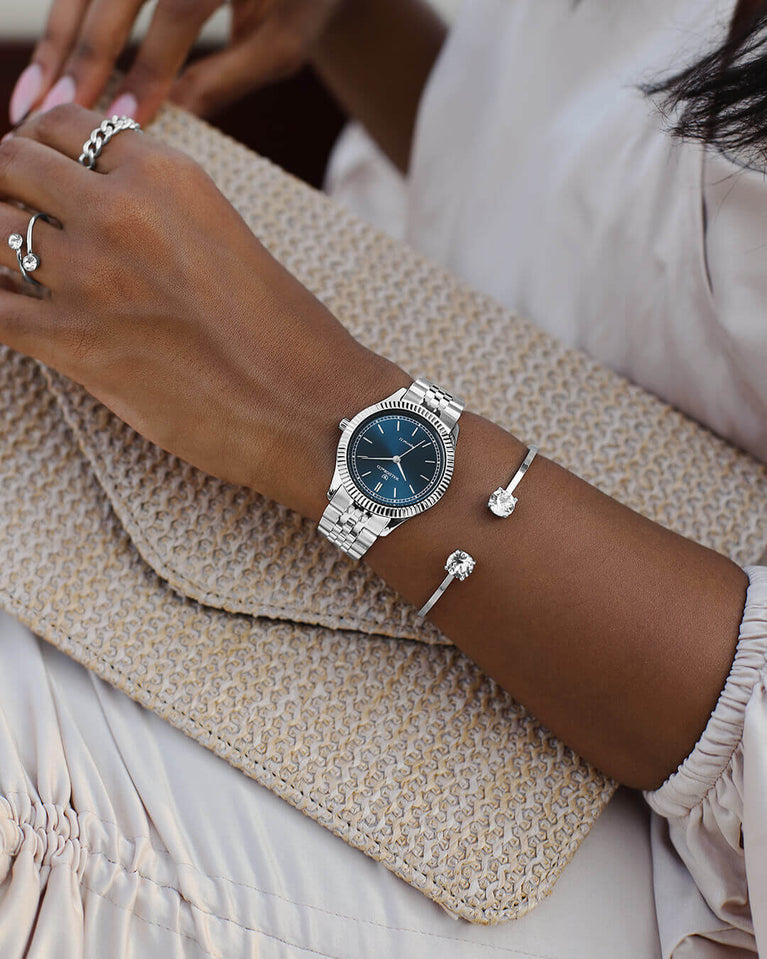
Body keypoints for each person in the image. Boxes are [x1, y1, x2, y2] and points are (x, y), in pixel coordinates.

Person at [0, 0, 765, 955]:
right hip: (436, 390)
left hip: (640, 857)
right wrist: (356, 21)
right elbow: (612, 212)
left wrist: (307, 402)